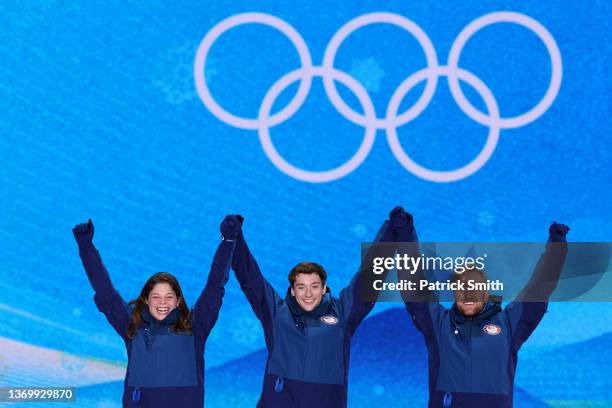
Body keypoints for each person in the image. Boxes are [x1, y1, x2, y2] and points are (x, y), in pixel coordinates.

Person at [226, 207, 415, 407]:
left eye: (314, 287)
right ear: (292, 290)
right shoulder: (277, 313)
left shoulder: (341, 314)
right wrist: (234, 239)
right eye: (301, 287)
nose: (308, 294)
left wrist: (393, 232)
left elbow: (369, 278)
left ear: (324, 288)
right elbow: (250, 278)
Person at [395, 209, 569, 407]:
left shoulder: (509, 324)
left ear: (486, 293)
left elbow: (539, 288)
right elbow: (413, 288)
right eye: (462, 288)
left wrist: (556, 248)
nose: (468, 293)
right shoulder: (439, 324)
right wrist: (405, 236)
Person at [72, 216, 240, 407]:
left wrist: (228, 242)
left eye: (169, 297)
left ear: (178, 302)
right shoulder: (133, 327)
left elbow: (214, 286)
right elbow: (105, 292)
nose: (162, 303)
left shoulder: (194, 329)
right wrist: (86, 247)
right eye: (156, 297)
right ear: (146, 300)